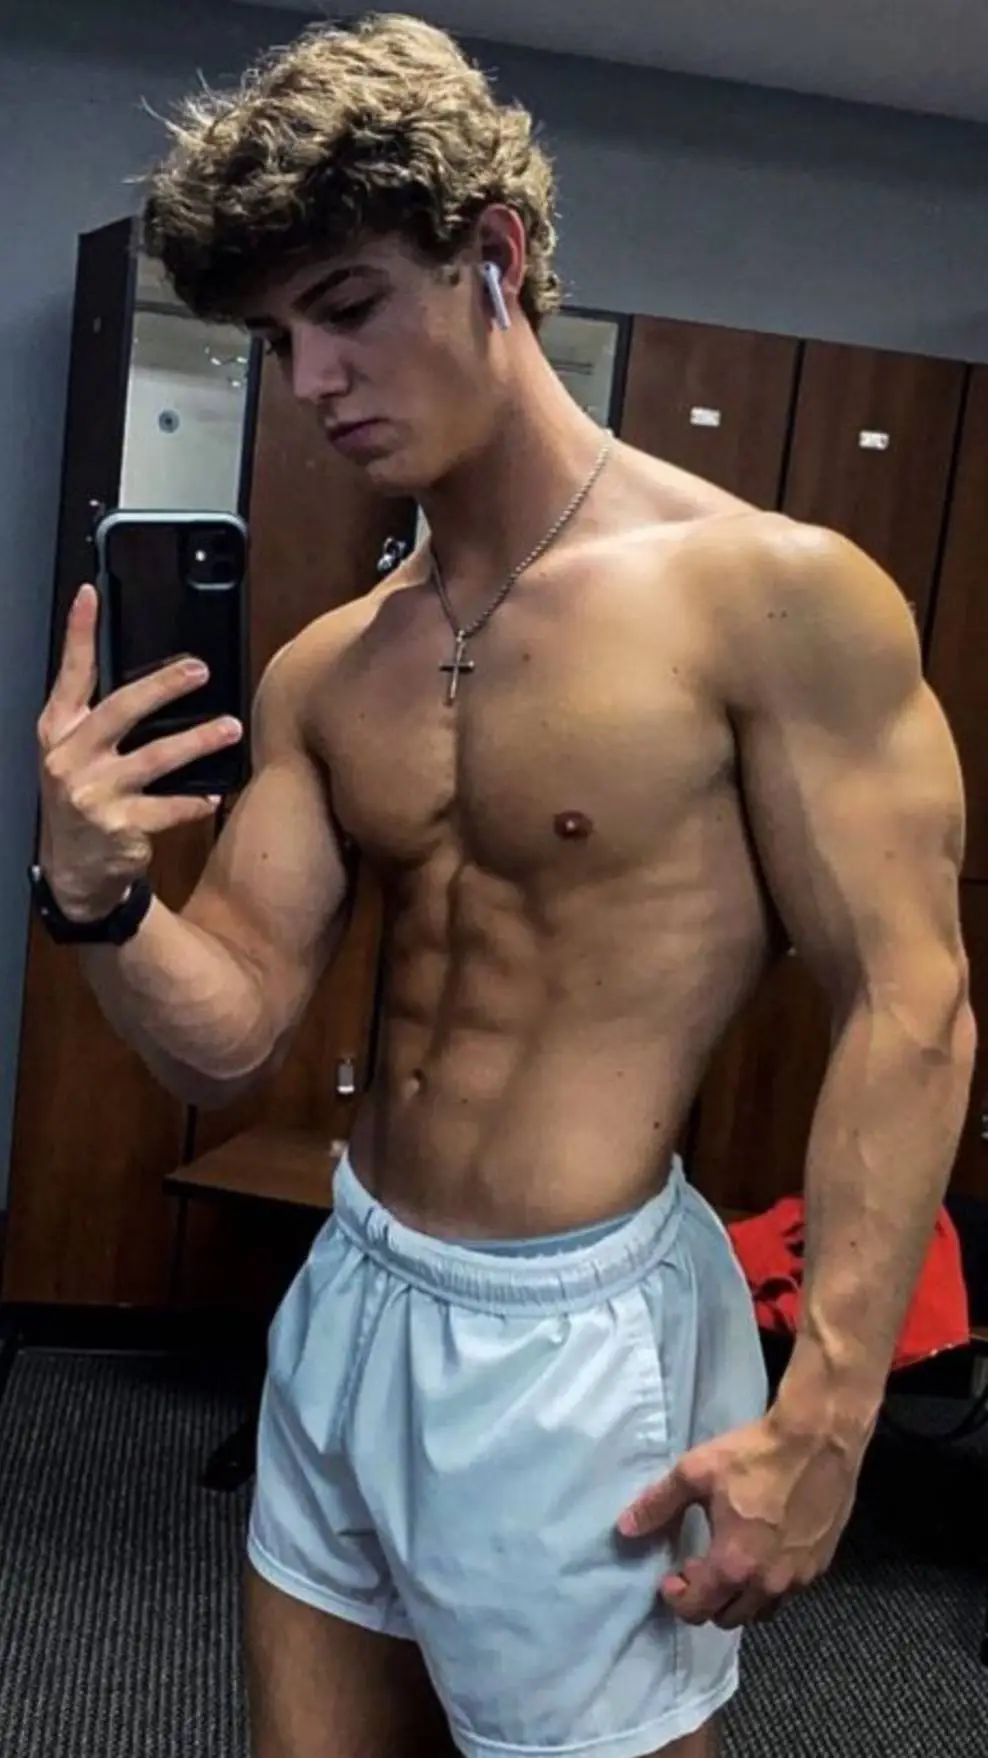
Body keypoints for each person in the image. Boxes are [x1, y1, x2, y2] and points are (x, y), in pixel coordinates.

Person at [34, 14, 976, 1758]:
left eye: (349, 305)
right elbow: (226, 1027)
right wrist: (97, 897)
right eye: (278, 336)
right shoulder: (331, 666)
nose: (313, 379)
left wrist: (828, 1415)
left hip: (582, 1337)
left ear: (495, 256)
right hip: (355, 1287)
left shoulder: (769, 595)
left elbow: (910, 1004)